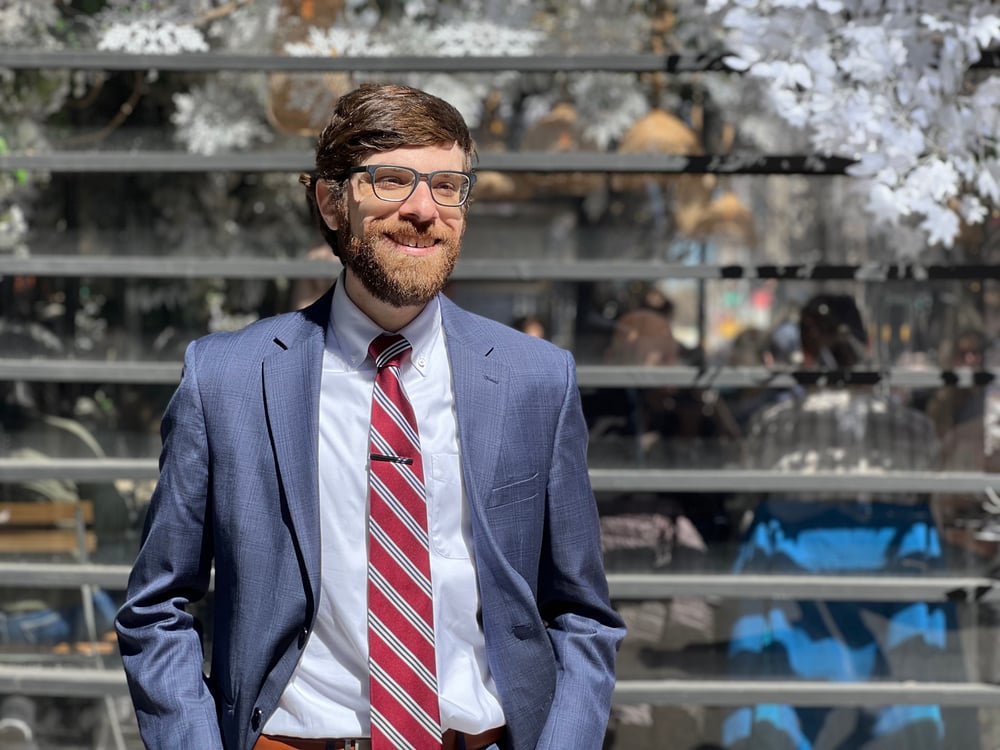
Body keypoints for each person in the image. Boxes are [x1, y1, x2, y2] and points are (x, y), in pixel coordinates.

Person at [115, 82, 625, 750]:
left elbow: (581, 611)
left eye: (447, 185)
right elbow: (156, 607)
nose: (424, 209)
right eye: (392, 181)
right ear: (331, 202)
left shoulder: (535, 379)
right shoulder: (228, 379)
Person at [721, 294, 974, 750]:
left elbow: (748, 508)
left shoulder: (772, 428)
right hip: (893, 621)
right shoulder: (913, 430)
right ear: (869, 344)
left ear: (804, 353)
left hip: (794, 623)